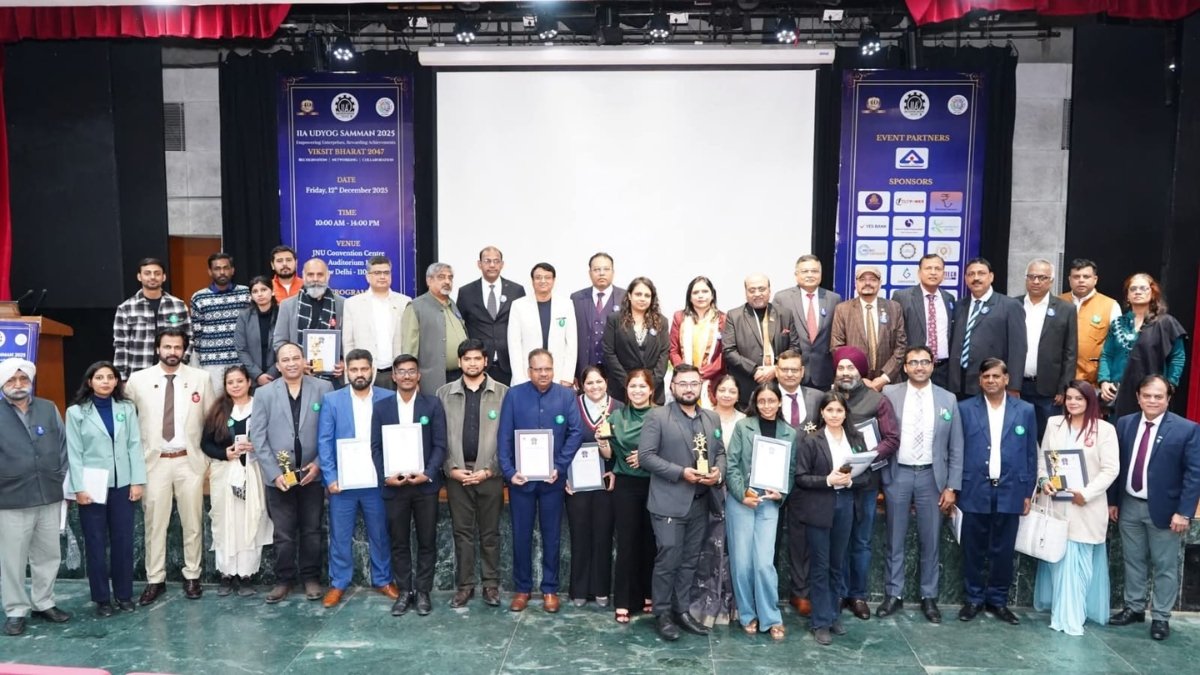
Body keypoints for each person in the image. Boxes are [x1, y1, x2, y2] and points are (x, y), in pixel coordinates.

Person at [125, 328, 216, 605]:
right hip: (154, 464)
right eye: (167, 347)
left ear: (184, 350)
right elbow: (126, 422)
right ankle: (155, 579)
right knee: (155, 525)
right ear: (157, 349)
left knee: (193, 523)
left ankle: (192, 576)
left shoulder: (201, 378)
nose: (172, 352)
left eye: (177, 347)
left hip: (189, 462)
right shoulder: (138, 380)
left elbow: (212, 421)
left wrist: (209, 461)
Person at [1107, 375, 1200, 641]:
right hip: (1129, 505)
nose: (1152, 401)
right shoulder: (1124, 423)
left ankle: (1160, 617)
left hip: (1167, 511)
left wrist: (1184, 512)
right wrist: (1113, 501)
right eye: (1147, 395)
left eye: (1158, 396)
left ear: (1168, 399)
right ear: (1138, 397)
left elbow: (1194, 475)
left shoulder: (1187, 429)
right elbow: (1117, 465)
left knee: (1165, 565)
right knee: (1132, 560)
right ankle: (1134, 608)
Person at [639, 364, 725, 642]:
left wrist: (718, 473)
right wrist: (680, 473)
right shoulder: (658, 416)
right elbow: (646, 457)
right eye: (683, 383)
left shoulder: (712, 418)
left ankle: (681, 610)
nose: (689, 388)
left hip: (701, 502)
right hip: (669, 502)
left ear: (701, 386)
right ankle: (662, 613)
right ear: (672, 386)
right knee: (668, 560)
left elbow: (720, 453)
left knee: (689, 561)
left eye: (694, 383)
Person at [877, 345, 963, 623]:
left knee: (931, 539)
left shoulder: (948, 399)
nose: (919, 367)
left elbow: (956, 446)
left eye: (924, 362)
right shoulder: (889, 393)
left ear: (932, 365)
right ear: (904, 367)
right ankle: (893, 594)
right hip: (897, 473)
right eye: (913, 362)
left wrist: (951, 486)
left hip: (932, 477)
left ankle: (929, 596)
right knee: (894, 538)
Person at [497, 349, 583, 613]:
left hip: (552, 482)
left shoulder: (566, 396)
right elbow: (504, 436)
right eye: (538, 369)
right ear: (529, 371)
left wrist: (560, 466)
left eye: (548, 369)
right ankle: (522, 589)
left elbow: (576, 433)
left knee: (552, 535)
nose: (544, 374)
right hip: (521, 482)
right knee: (520, 536)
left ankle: (550, 589)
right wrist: (509, 472)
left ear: (553, 369)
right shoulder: (514, 395)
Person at [1032, 380, 1118, 636]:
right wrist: (1044, 481)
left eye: (1079, 398)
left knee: (1080, 566)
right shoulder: (1054, 424)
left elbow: (1110, 469)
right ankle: (1061, 615)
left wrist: (1086, 494)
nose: (1073, 402)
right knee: (1060, 564)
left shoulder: (1104, 430)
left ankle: (1072, 618)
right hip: (1057, 506)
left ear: (1090, 401)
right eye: (1069, 398)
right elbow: (1043, 461)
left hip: (1086, 508)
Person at [249, 342, 333, 604]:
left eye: (296, 358)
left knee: (312, 530)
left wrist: (318, 464)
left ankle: (311, 578)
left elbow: (331, 431)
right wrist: (274, 473)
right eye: (285, 360)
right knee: (283, 534)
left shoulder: (323, 388)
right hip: (279, 478)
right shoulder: (264, 393)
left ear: (304, 360)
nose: (291, 363)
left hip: (311, 473)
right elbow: (258, 437)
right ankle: (283, 580)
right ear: (277, 365)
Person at [956, 358, 1038, 625]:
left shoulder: (1025, 410)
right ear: (980, 380)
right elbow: (956, 450)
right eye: (986, 376)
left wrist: (1028, 491)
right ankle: (973, 599)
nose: (991, 380)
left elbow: (1030, 453)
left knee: (1003, 550)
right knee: (973, 549)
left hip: (1011, 490)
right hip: (974, 489)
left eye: (996, 376)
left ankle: (998, 600)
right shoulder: (964, 409)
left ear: (1006, 379)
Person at [316, 350, 400, 609]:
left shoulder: (388, 398)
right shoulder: (332, 400)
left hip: (377, 481)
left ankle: (383, 579)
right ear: (347, 372)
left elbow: (396, 437)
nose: (360, 374)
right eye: (354, 369)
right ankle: (338, 583)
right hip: (344, 483)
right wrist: (330, 477)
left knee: (380, 533)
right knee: (340, 536)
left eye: (364, 369)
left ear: (372, 369)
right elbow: (324, 442)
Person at [66, 361, 146, 616]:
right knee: (96, 542)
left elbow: (134, 445)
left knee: (123, 541)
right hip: (92, 486)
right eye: (99, 377)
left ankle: (124, 595)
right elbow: (74, 453)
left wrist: (137, 481)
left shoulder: (126, 408)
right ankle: (102, 599)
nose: (105, 382)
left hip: (123, 484)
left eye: (110, 377)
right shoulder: (76, 412)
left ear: (116, 381)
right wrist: (79, 488)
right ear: (90, 382)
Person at [371, 354, 448, 617]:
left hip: (425, 486)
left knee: (427, 541)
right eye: (401, 371)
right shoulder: (381, 408)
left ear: (418, 375)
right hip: (394, 487)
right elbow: (376, 447)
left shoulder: (432, 404)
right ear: (393, 376)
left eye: (411, 371)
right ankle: (405, 591)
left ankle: (423, 591)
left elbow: (440, 445)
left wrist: (428, 473)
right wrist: (386, 476)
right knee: (399, 542)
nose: (406, 376)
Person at [828, 345, 900, 620]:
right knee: (838, 540)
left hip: (866, 483)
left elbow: (891, 439)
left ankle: (857, 595)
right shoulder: (829, 399)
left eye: (851, 367)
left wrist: (866, 458)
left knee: (861, 541)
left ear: (860, 371)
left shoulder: (877, 401)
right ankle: (838, 592)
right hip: (837, 483)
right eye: (841, 368)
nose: (846, 373)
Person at [0, 358, 70, 637]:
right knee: (13, 559)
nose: (18, 385)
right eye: (11, 380)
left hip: (49, 494)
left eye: (23, 379)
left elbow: (63, 446)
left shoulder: (48, 408)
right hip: (11, 498)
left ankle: (44, 602)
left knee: (48, 554)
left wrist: (58, 476)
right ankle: (16, 610)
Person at [437, 338, 508, 608]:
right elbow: (439, 437)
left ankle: (491, 585)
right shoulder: (444, 393)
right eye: (467, 359)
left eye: (477, 358)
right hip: (457, 475)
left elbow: (507, 438)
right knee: (462, 533)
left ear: (486, 361)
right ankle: (465, 586)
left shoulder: (503, 393)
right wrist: (451, 468)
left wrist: (490, 470)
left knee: (490, 534)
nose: (472, 363)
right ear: (459, 362)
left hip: (490, 475)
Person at [794, 391, 866, 646]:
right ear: (822, 413)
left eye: (839, 410)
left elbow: (867, 475)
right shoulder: (811, 440)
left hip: (845, 504)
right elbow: (801, 477)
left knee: (838, 564)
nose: (834, 415)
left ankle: (834, 615)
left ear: (846, 413)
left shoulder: (856, 439)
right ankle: (820, 621)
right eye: (830, 410)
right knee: (820, 565)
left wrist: (850, 481)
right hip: (819, 507)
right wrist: (827, 480)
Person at [725, 381, 796, 640]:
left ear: (779, 402)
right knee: (742, 563)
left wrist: (782, 493)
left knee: (765, 563)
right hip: (742, 498)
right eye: (762, 401)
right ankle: (747, 614)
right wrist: (742, 493)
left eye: (771, 401)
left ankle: (771, 616)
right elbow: (731, 465)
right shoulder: (743, 426)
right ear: (755, 403)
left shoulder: (790, 433)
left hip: (769, 501)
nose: (767, 406)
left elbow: (790, 470)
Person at [199, 365, 273, 597]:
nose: (235, 386)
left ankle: (247, 575)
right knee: (226, 522)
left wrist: (256, 447)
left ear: (249, 382)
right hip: (225, 475)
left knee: (250, 520)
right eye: (230, 382)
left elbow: (273, 437)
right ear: (225, 386)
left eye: (240, 381)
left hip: (254, 472)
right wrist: (225, 453)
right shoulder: (218, 411)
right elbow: (205, 443)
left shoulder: (260, 406)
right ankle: (226, 574)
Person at [599, 369, 657, 624]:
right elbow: (609, 454)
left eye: (642, 386)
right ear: (626, 389)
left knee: (651, 542)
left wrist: (645, 458)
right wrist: (602, 442)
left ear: (651, 389)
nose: (637, 391)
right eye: (633, 386)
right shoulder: (616, 416)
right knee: (627, 543)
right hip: (625, 485)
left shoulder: (661, 416)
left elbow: (670, 447)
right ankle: (624, 600)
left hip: (655, 484)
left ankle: (648, 593)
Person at [773, 350, 823, 617]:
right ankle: (767, 592)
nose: (790, 374)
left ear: (803, 372)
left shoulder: (817, 397)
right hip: (772, 478)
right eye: (785, 369)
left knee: (801, 538)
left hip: (806, 478)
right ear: (776, 371)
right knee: (770, 537)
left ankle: (800, 592)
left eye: (795, 369)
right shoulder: (766, 395)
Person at [567, 366, 620, 608]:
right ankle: (578, 589)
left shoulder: (618, 408)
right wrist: (564, 476)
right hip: (576, 482)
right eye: (589, 383)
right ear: (581, 385)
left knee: (603, 535)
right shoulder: (572, 406)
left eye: (599, 381)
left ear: (606, 382)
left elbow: (625, 445)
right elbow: (562, 441)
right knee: (579, 534)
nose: (595, 387)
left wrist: (616, 470)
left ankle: (601, 588)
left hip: (606, 481)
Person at [1098, 273, 1187, 418]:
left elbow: (1177, 357)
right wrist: (1104, 381)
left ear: (1153, 293)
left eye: (1143, 288)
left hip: (1152, 394)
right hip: (1119, 392)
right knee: (1120, 428)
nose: (1138, 292)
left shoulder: (1166, 323)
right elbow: (1107, 355)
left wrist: (1169, 385)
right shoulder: (1118, 323)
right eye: (1133, 289)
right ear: (1127, 296)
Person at [1016, 259, 1077, 439]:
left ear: (1051, 280)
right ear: (1026, 279)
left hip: (1050, 391)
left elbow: (1070, 352)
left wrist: (1063, 388)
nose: (1036, 281)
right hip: (1017, 387)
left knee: (1050, 440)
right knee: (1018, 437)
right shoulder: (1013, 305)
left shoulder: (1066, 309)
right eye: (1032, 276)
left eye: (1042, 277)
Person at [949, 258, 1027, 398]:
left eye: (981, 273)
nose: (976, 278)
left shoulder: (1010, 306)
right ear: (965, 279)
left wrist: (1013, 386)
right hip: (958, 384)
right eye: (971, 274)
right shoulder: (959, 305)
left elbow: (1018, 349)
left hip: (991, 382)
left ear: (991, 277)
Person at [722, 273, 801, 409]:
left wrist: (776, 368)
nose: (757, 294)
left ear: (769, 290)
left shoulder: (784, 314)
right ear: (746, 293)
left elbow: (795, 348)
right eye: (752, 290)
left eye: (762, 289)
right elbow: (729, 351)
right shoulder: (734, 316)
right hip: (747, 385)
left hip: (779, 384)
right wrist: (754, 370)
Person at [112, 257, 191, 380]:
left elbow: (189, 338)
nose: (153, 277)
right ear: (139, 277)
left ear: (164, 277)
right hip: (139, 374)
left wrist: (182, 361)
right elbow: (121, 345)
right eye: (147, 273)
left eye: (157, 273)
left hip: (173, 374)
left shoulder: (178, 305)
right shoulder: (126, 308)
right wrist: (121, 378)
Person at [456, 246, 526, 385]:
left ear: (502, 264)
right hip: (478, 365)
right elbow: (461, 326)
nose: (492, 265)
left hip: (509, 364)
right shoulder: (466, 292)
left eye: (496, 261)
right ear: (479, 264)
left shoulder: (516, 290)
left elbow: (523, 325)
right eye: (487, 261)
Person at [830, 266, 907, 392]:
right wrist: (859, 376)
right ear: (856, 283)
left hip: (889, 383)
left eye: (872, 279)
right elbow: (837, 347)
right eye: (862, 280)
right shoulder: (843, 309)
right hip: (853, 382)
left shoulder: (894, 308)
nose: (867, 283)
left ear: (880, 283)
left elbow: (901, 346)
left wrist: (885, 377)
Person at [342, 255, 412, 390]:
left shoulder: (404, 302)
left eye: (386, 273)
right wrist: (349, 378)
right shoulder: (352, 304)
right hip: (364, 375)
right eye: (377, 273)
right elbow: (348, 343)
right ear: (367, 276)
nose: (382, 277)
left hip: (395, 375)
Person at [272, 258, 346, 384]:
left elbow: (350, 341)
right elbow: (279, 341)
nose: (315, 279)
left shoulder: (343, 304)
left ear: (328, 276)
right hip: (297, 378)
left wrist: (344, 362)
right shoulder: (287, 305)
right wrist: (297, 362)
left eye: (320, 274)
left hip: (333, 378)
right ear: (303, 276)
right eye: (310, 274)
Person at [774, 254, 841, 390]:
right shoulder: (782, 298)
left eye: (814, 271)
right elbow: (775, 335)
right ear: (796, 274)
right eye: (805, 271)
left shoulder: (833, 299)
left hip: (823, 373)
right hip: (791, 372)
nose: (810, 275)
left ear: (821, 274)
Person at [402, 262, 468, 395]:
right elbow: (409, 349)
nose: (447, 281)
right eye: (441, 277)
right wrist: (411, 379)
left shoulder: (452, 304)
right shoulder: (416, 306)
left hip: (459, 376)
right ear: (429, 281)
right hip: (432, 380)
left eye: (450, 278)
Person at [508, 263, 577, 387]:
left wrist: (567, 376)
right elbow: (514, 345)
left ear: (554, 280)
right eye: (538, 277)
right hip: (526, 375)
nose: (543, 281)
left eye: (547, 277)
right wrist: (519, 379)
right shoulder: (518, 306)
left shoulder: (566, 305)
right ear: (532, 281)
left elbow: (572, 344)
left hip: (558, 375)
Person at [190, 252, 251, 391]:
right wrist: (197, 364)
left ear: (232, 270)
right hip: (211, 363)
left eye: (226, 268)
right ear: (210, 272)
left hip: (240, 360)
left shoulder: (246, 294)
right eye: (217, 268)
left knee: (241, 400)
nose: (222, 272)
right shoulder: (199, 298)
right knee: (214, 402)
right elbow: (196, 334)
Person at [603, 276, 669, 404]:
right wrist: (628, 383)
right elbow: (609, 353)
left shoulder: (661, 321)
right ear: (629, 295)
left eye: (647, 295)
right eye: (638, 294)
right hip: (621, 388)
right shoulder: (615, 319)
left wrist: (650, 384)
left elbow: (664, 354)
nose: (642, 298)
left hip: (653, 390)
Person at [893, 254, 956, 388]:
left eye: (937, 269)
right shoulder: (902, 297)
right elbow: (896, 336)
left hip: (943, 370)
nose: (933, 272)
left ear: (943, 273)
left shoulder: (949, 298)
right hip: (914, 369)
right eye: (928, 268)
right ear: (919, 272)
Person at [1061, 258, 1121, 387]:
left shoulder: (1110, 305)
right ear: (1069, 279)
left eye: (1086, 276)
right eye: (1076, 276)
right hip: (1059, 380)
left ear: (1095, 279)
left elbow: (1116, 347)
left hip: (1094, 381)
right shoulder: (1058, 302)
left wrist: (1108, 380)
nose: (1081, 280)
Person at [668, 276, 726, 407]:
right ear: (689, 297)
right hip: (683, 380)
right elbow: (673, 350)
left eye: (705, 291)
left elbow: (725, 353)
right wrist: (686, 373)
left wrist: (703, 373)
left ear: (712, 295)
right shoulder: (679, 317)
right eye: (695, 292)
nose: (700, 296)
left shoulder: (723, 319)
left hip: (712, 381)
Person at [571, 252, 626, 382]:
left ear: (613, 272)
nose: (601, 273)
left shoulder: (625, 298)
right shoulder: (576, 299)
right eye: (596, 269)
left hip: (617, 371)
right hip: (584, 370)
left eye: (606, 269)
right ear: (590, 273)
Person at [235, 276, 280, 388]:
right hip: (253, 377)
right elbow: (241, 349)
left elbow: (287, 345)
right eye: (255, 291)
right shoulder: (244, 316)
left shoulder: (282, 313)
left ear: (272, 291)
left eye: (263, 290)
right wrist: (257, 375)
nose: (260, 294)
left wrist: (272, 373)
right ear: (251, 296)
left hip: (279, 375)